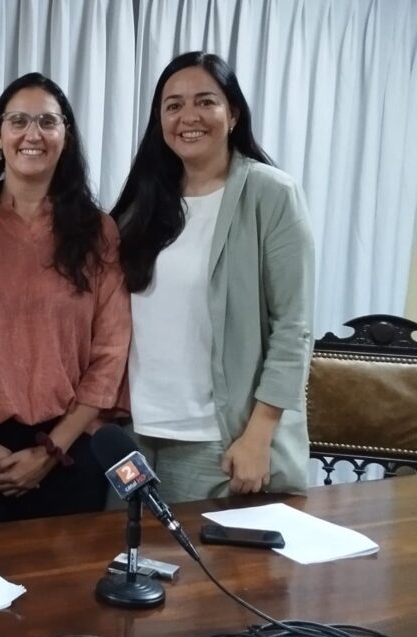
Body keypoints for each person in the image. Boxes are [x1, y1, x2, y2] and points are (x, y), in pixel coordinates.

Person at [111, 51, 315, 504]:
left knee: (204, 554)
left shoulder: (271, 194)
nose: (189, 117)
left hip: (219, 441)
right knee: (125, 551)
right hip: (135, 434)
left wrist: (259, 435)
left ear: (233, 113)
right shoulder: (142, 204)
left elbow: (293, 328)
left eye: (205, 101)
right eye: (173, 105)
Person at [0, 73, 130, 525]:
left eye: (47, 121)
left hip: (70, 449)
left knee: (71, 574)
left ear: (66, 136)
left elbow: (111, 353)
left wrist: (51, 451)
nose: (33, 134)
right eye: (19, 121)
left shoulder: (98, 231)